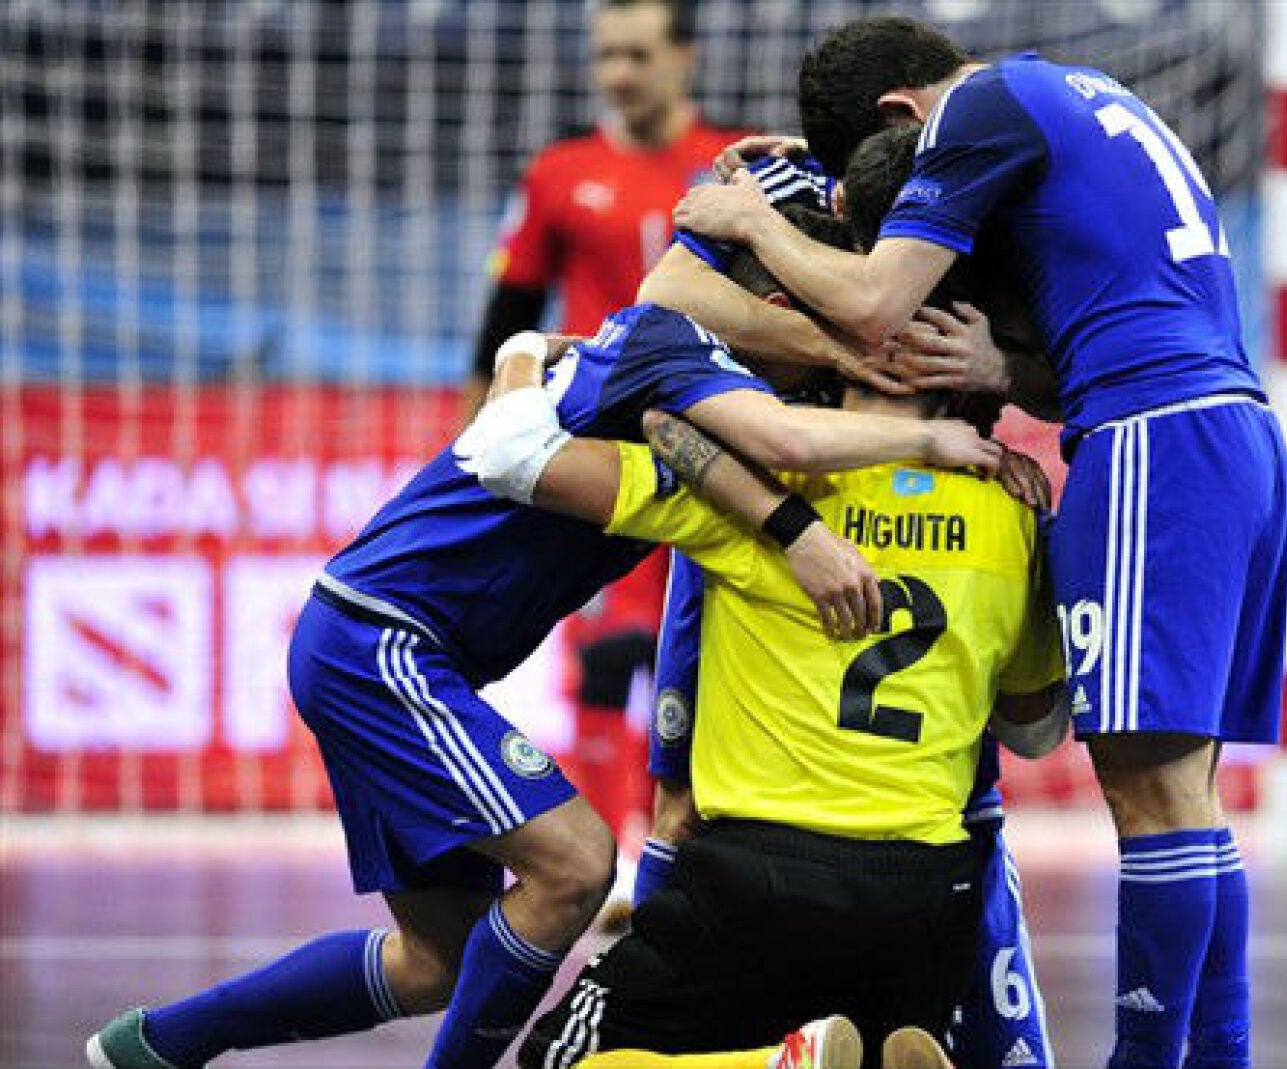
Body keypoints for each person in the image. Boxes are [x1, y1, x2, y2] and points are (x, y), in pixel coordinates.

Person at [82, 303, 1004, 1069]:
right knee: (572, 865)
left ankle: (160, 1043)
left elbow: (653, 420)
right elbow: (694, 435)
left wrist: (522, 353)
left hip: (377, 636)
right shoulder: (678, 350)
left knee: (433, 961)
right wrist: (893, 463)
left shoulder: (672, 371)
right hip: (385, 639)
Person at [675, 18, 1287, 1068]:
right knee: (1190, 792)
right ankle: (1218, 1055)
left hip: (1148, 440)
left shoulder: (978, 108)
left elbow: (876, 305)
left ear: (902, 114)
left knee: (1148, 795)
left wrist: (751, 222)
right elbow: (1077, 336)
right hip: (1233, 432)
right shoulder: (1078, 93)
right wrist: (1002, 375)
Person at [497, 219, 1069, 1069]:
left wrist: (523, 353)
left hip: (762, 873)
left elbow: (524, 458)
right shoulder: (1013, 513)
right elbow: (1033, 728)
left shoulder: (755, 487)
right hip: (929, 894)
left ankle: (774, 1064)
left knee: (558, 1060)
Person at [634, 142, 1060, 1069]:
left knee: (580, 1044)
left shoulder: (764, 459)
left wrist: (790, 517)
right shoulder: (1014, 506)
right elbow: (1033, 728)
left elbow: (653, 390)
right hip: (930, 857)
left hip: (760, 846)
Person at [467, 0, 744, 860]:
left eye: (637, 54)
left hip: (715, 443)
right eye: (606, 57)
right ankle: (603, 855)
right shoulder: (560, 173)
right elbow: (503, 320)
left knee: (702, 654)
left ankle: (687, 848)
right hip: (592, 442)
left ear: (685, 58)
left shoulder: (731, 168)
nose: (619, 74)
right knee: (606, 653)